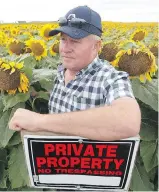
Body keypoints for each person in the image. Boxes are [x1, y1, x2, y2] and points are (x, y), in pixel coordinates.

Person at [9, 5, 141, 141]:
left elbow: (128, 121)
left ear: (96, 46)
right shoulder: (61, 71)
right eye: (63, 39)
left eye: (75, 41)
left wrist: (39, 121)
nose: (65, 49)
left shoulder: (109, 77)